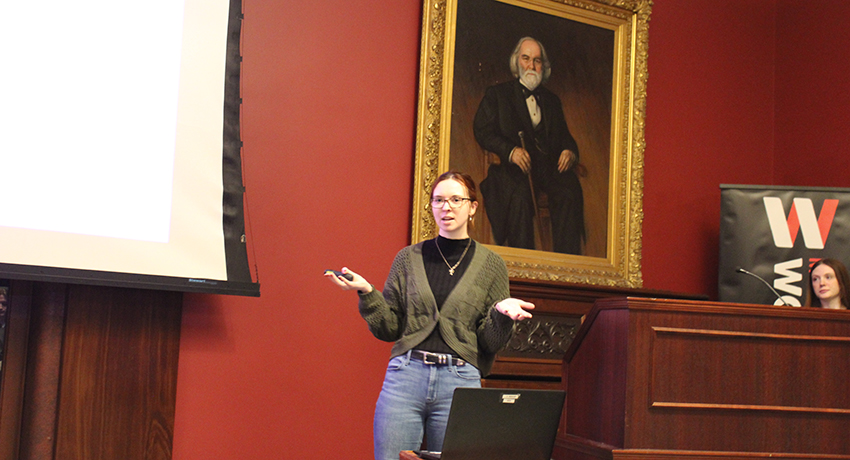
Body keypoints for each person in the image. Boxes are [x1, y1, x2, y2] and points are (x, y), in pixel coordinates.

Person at [325, 170, 535, 460]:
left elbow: (490, 343)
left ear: (473, 207)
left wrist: (501, 315)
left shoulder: (491, 266)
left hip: (460, 383)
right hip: (405, 378)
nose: (446, 207)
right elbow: (390, 329)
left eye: (455, 200)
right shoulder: (407, 259)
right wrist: (367, 293)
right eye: (438, 200)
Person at [473, 36, 585, 254]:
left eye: (537, 60)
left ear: (544, 66)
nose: (532, 66)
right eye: (526, 59)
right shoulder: (497, 95)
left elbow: (565, 137)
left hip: (546, 172)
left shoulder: (552, 101)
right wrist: (510, 151)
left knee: (569, 192)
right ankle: (523, 266)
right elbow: (482, 131)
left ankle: (567, 266)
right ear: (517, 62)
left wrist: (570, 152)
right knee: (519, 198)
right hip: (510, 171)